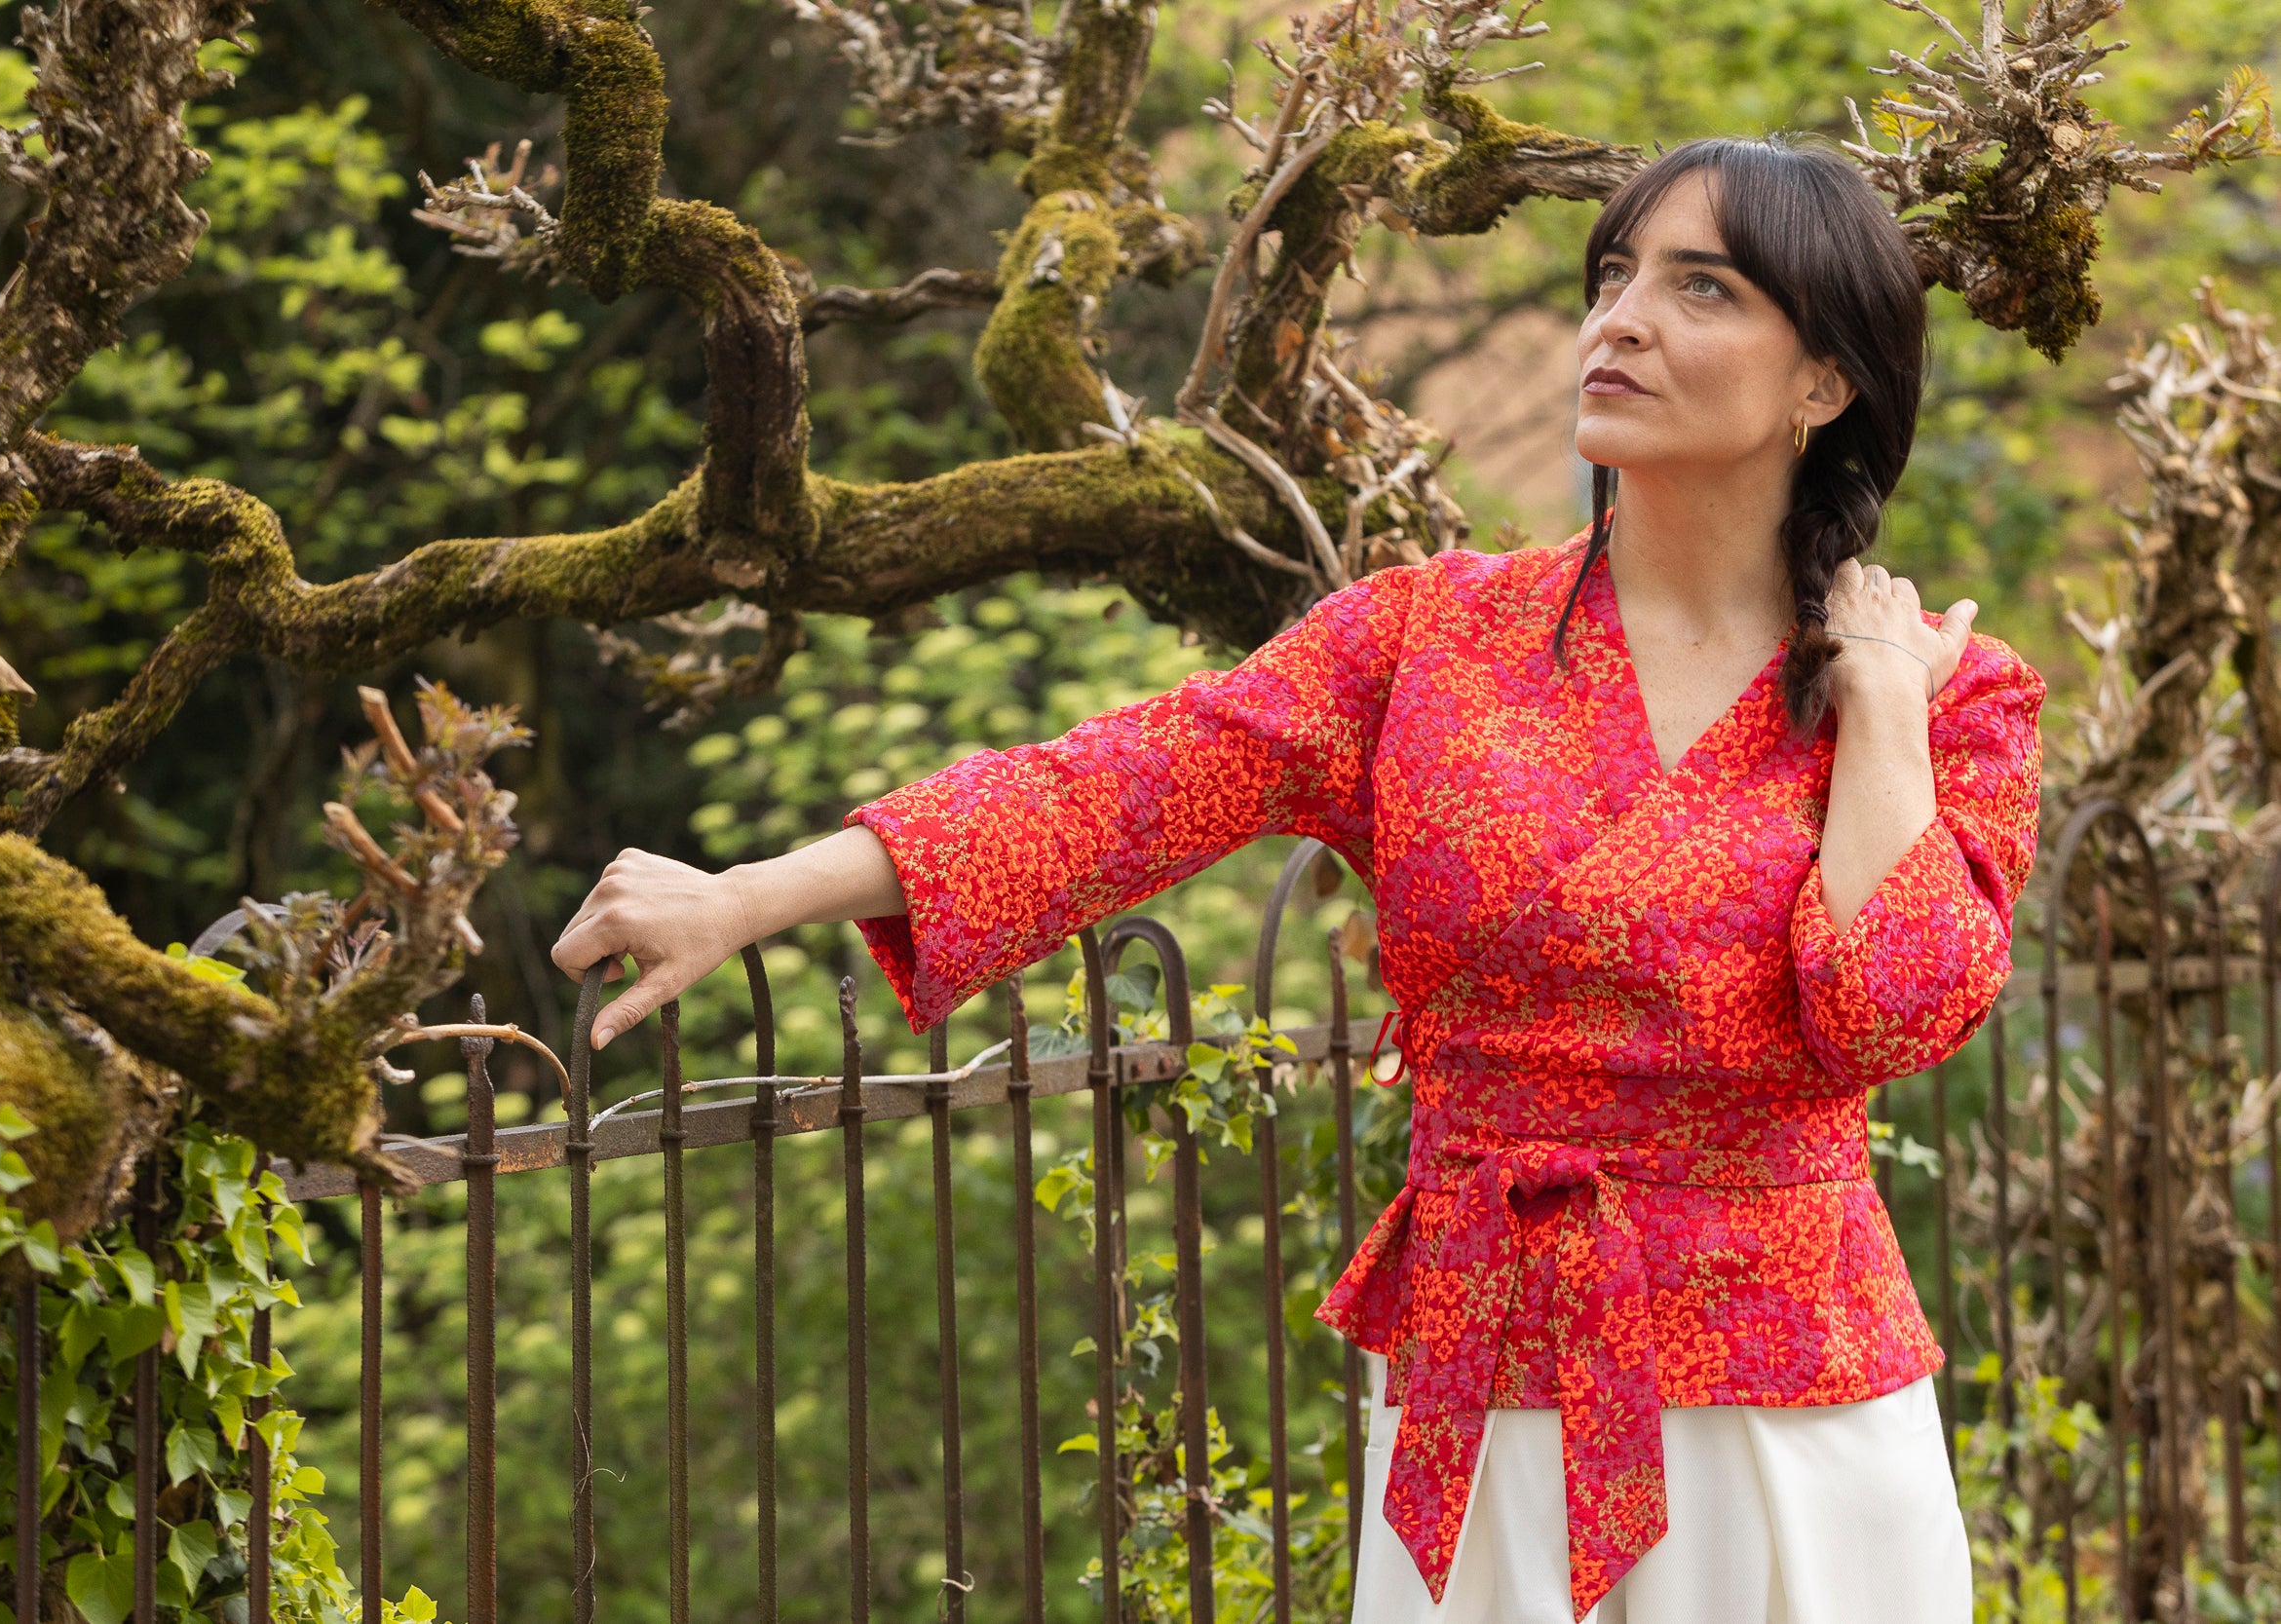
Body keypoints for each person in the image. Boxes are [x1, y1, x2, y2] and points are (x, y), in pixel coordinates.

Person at [552, 132, 2043, 1624]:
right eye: (1613, 274)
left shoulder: (1955, 697)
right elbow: (1118, 789)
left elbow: (1895, 1008)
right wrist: (744, 895)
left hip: (1792, 1403)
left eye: (1700, 287)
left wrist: (1879, 706)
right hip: (1488, 1375)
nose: (1623, 320)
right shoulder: (1427, 641)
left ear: (1823, 383)